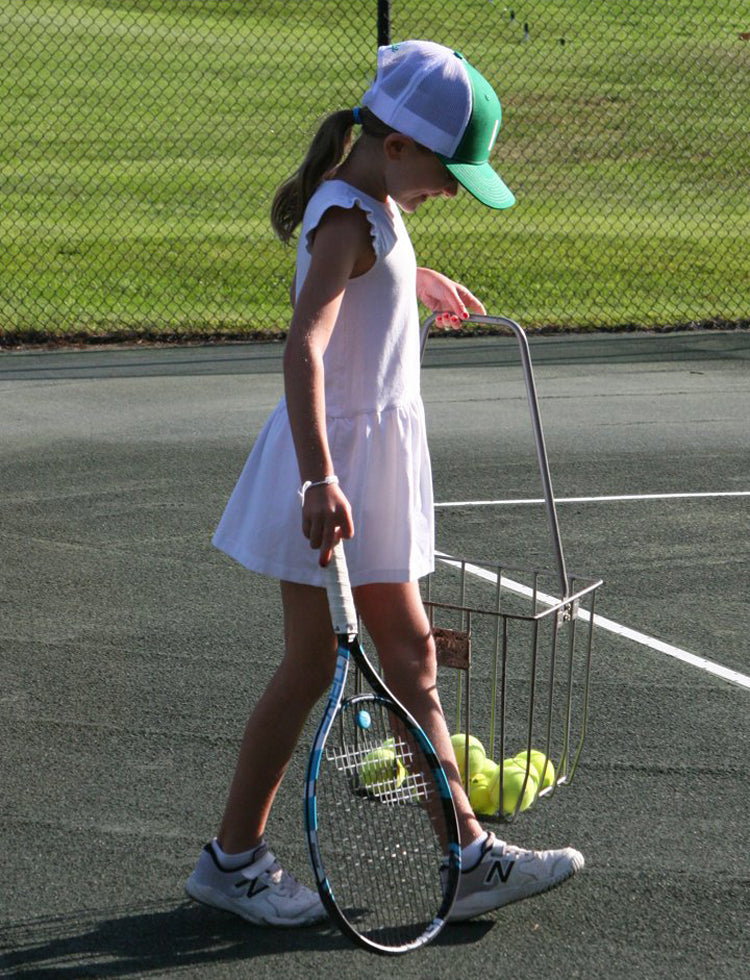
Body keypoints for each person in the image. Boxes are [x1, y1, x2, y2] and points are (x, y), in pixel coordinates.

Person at [185, 40, 583, 927]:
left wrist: (415, 285)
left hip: (364, 466)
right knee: (312, 668)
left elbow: (370, 285)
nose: (454, 188)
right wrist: (321, 478)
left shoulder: (374, 205)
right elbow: (306, 347)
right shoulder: (345, 218)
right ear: (397, 144)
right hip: (334, 472)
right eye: (450, 170)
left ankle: (465, 852)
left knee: (404, 658)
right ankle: (235, 859)